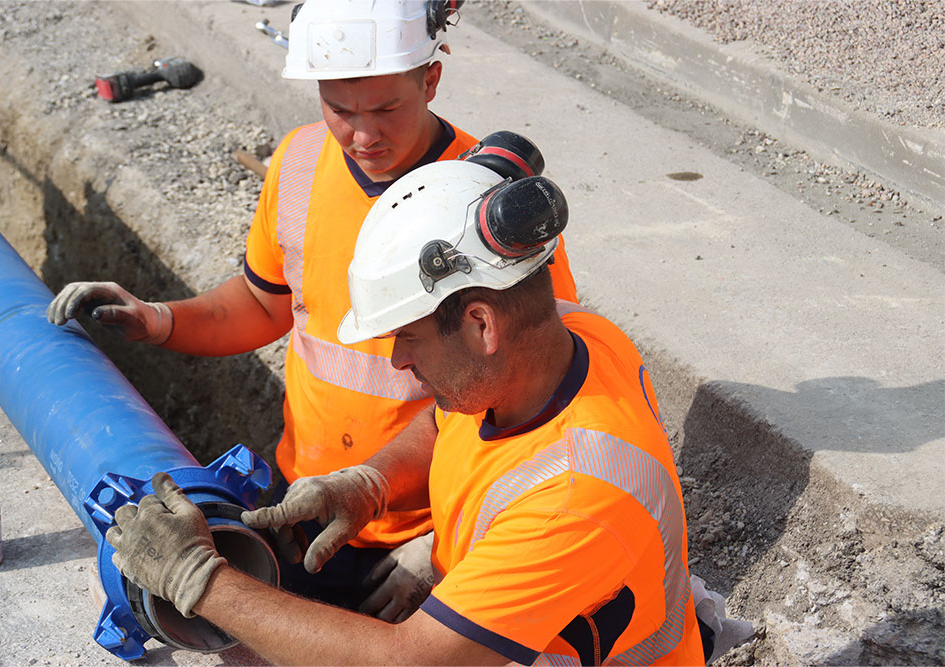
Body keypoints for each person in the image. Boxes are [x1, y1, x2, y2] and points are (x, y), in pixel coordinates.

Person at [47, 0, 577, 622]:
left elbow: (532, 385)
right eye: (340, 110)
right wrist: (159, 319)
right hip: (304, 504)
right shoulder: (300, 163)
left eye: (385, 109)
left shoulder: (482, 209)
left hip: (431, 533)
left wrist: (449, 545)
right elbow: (261, 302)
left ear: (429, 80)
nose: (362, 135)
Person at [105, 154, 708, 665]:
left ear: (480, 324)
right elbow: (447, 421)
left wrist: (200, 580)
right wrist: (369, 484)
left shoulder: (577, 496)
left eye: (408, 338)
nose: (395, 361)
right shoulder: (569, 340)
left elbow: (408, 660)